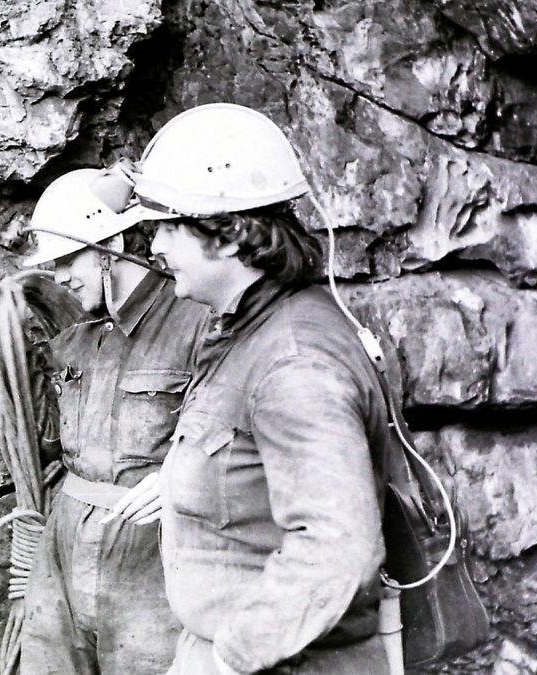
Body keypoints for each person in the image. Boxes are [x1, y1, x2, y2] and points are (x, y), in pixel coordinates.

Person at [114, 103, 390, 674]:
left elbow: (336, 551)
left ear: (230, 235)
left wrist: (227, 659)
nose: (155, 247)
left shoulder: (294, 361)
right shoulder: (253, 329)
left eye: (167, 226)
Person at [0, 168, 210, 673]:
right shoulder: (76, 333)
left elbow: (236, 435)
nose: (61, 277)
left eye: (70, 259)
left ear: (112, 244)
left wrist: (184, 477)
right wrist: (6, 341)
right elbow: (41, 438)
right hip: (65, 540)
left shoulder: (196, 319)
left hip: (149, 547)